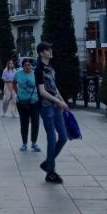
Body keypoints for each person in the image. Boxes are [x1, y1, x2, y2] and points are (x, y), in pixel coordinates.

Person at [35, 42, 69, 184]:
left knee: (63, 136)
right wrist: (58, 101)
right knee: (51, 137)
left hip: (56, 105)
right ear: (42, 53)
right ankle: (50, 172)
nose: (50, 52)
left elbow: (54, 88)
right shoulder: (39, 69)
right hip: (46, 106)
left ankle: (48, 163)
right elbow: (42, 92)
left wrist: (62, 101)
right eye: (48, 50)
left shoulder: (51, 68)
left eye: (50, 49)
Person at [15, 57, 41, 152]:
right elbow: (14, 83)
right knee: (24, 123)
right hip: (22, 102)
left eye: (29, 65)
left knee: (35, 122)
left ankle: (34, 142)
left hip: (34, 102)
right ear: (22, 66)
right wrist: (17, 92)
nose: (27, 67)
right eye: (25, 65)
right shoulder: (18, 74)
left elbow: (39, 86)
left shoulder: (35, 74)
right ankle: (24, 143)